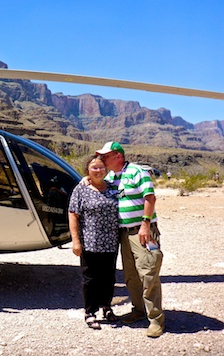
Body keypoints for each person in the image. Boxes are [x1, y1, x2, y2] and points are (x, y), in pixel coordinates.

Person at [95, 141, 165, 338]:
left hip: (142, 231)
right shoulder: (111, 176)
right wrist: (86, 180)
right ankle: (139, 310)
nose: (102, 159)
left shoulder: (137, 172)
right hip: (124, 233)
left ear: (118, 156)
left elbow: (150, 198)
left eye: (106, 156)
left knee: (148, 272)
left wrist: (145, 224)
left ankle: (156, 319)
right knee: (131, 275)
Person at [68, 156, 119, 330]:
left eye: (101, 167)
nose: (98, 171)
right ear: (88, 170)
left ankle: (106, 307)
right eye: (94, 168)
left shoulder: (113, 188)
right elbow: (73, 214)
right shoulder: (81, 189)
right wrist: (76, 241)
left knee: (108, 277)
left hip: (111, 242)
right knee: (90, 279)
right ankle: (90, 312)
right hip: (89, 242)